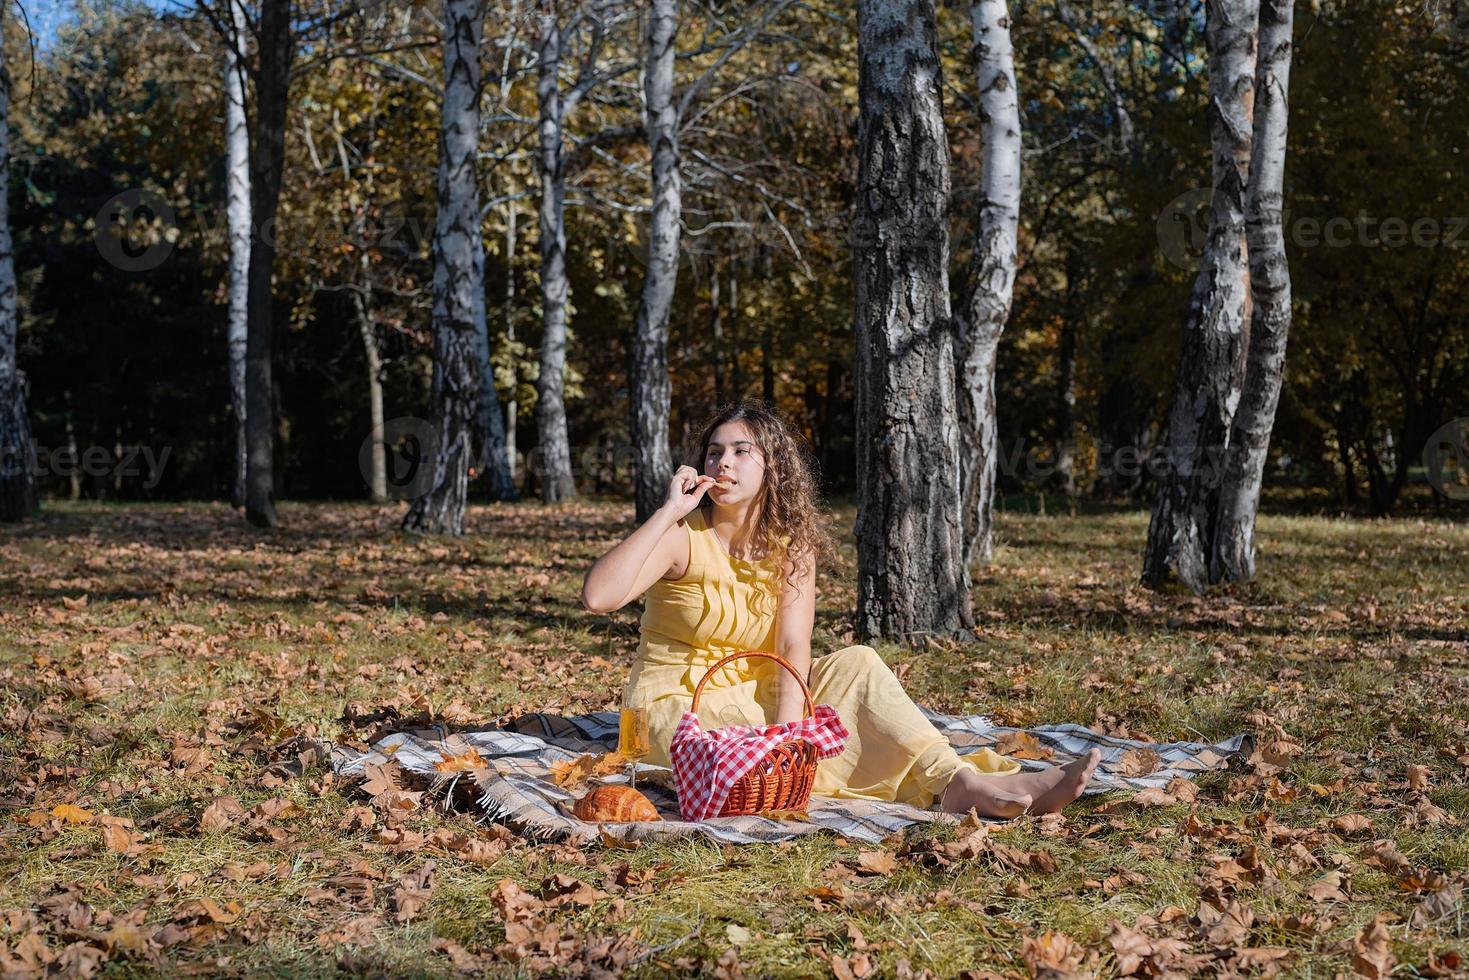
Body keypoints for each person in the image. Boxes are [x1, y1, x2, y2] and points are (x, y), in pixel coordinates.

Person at [579, 403, 1099, 817]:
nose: (723, 463)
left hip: (760, 691)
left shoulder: (791, 545)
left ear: (773, 466)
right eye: (714, 452)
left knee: (858, 666)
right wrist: (670, 510)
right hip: (674, 706)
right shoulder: (680, 538)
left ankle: (958, 781)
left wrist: (790, 737)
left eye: (741, 451)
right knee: (762, 731)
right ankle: (955, 786)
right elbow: (598, 597)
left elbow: (791, 648)